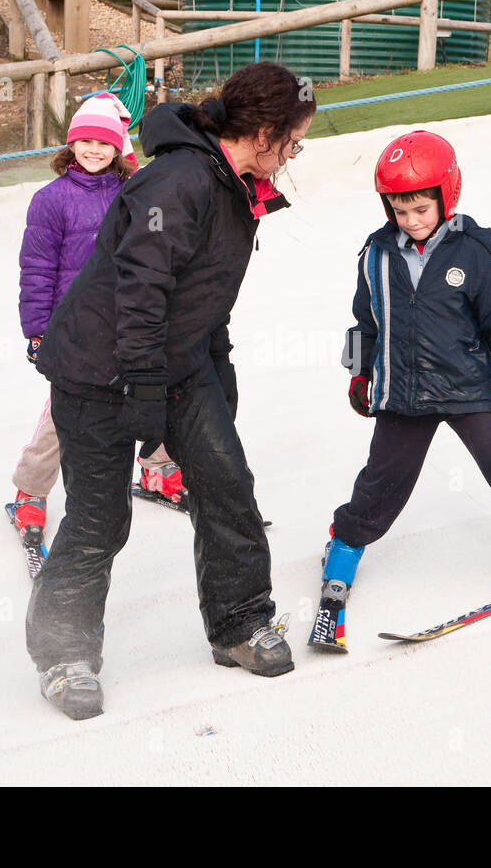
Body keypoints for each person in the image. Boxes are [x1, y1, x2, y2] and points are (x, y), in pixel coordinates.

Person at [28, 61, 316, 719]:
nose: (294, 155)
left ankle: (239, 623)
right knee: (101, 519)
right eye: (294, 142)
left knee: (226, 483)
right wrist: (148, 396)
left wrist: (219, 364)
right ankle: (64, 654)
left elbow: (205, 292)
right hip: (98, 370)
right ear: (265, 133)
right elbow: (142, 293)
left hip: (176, 360)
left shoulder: (234, 184)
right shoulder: (179, 180)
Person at [318, 130, 491, 644]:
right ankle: (347, 540)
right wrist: (359, 372)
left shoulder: (476, 252)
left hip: (467, 383)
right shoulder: (376, 254)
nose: (411, 221)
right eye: (400, 211)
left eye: (421, 209)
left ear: (447, 196)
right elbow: (364, 321)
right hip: (402, 390)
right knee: (384, 476)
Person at [11, 93, 185, 560]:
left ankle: (156, 467)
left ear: (118, 148)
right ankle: (30, 490)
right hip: (75, 329)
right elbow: (37, 268)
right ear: (71, 145)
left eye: (103, 142)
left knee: (151, 389)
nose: (93, 150)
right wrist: (38, 329)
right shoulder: (50, 201)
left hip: (131, 317)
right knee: (64, 415)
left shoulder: (133, 192)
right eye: (84, 140)